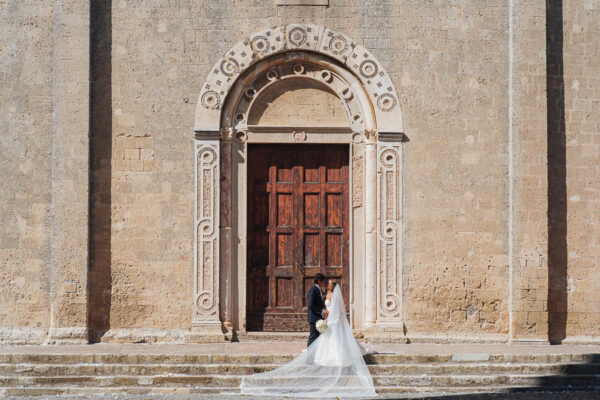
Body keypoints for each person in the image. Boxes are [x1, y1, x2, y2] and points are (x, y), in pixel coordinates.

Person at [239, 277, 376, 397]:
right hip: (325, 319)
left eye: (329, 285)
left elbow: (336, 312)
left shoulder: (333, 295)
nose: (327, 286)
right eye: (326, 284)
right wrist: (325, 316)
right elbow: (319, 307)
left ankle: (328, 359)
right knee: (321, 340)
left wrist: (327, 320)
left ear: (332, 286)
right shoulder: (322, 293)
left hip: (332, 322)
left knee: (329, 341)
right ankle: (316, 358)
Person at [307, 273, 328, 347]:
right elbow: (311, 305)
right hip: (314, 318)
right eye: (323, 281)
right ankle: (310, 354)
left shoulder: (319, 290)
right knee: (313, 338)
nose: (324, 283)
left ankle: (314, 353)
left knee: (316, 338)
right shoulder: (313, 290)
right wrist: (322, 311)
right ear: (319, 281)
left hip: (318, 318)